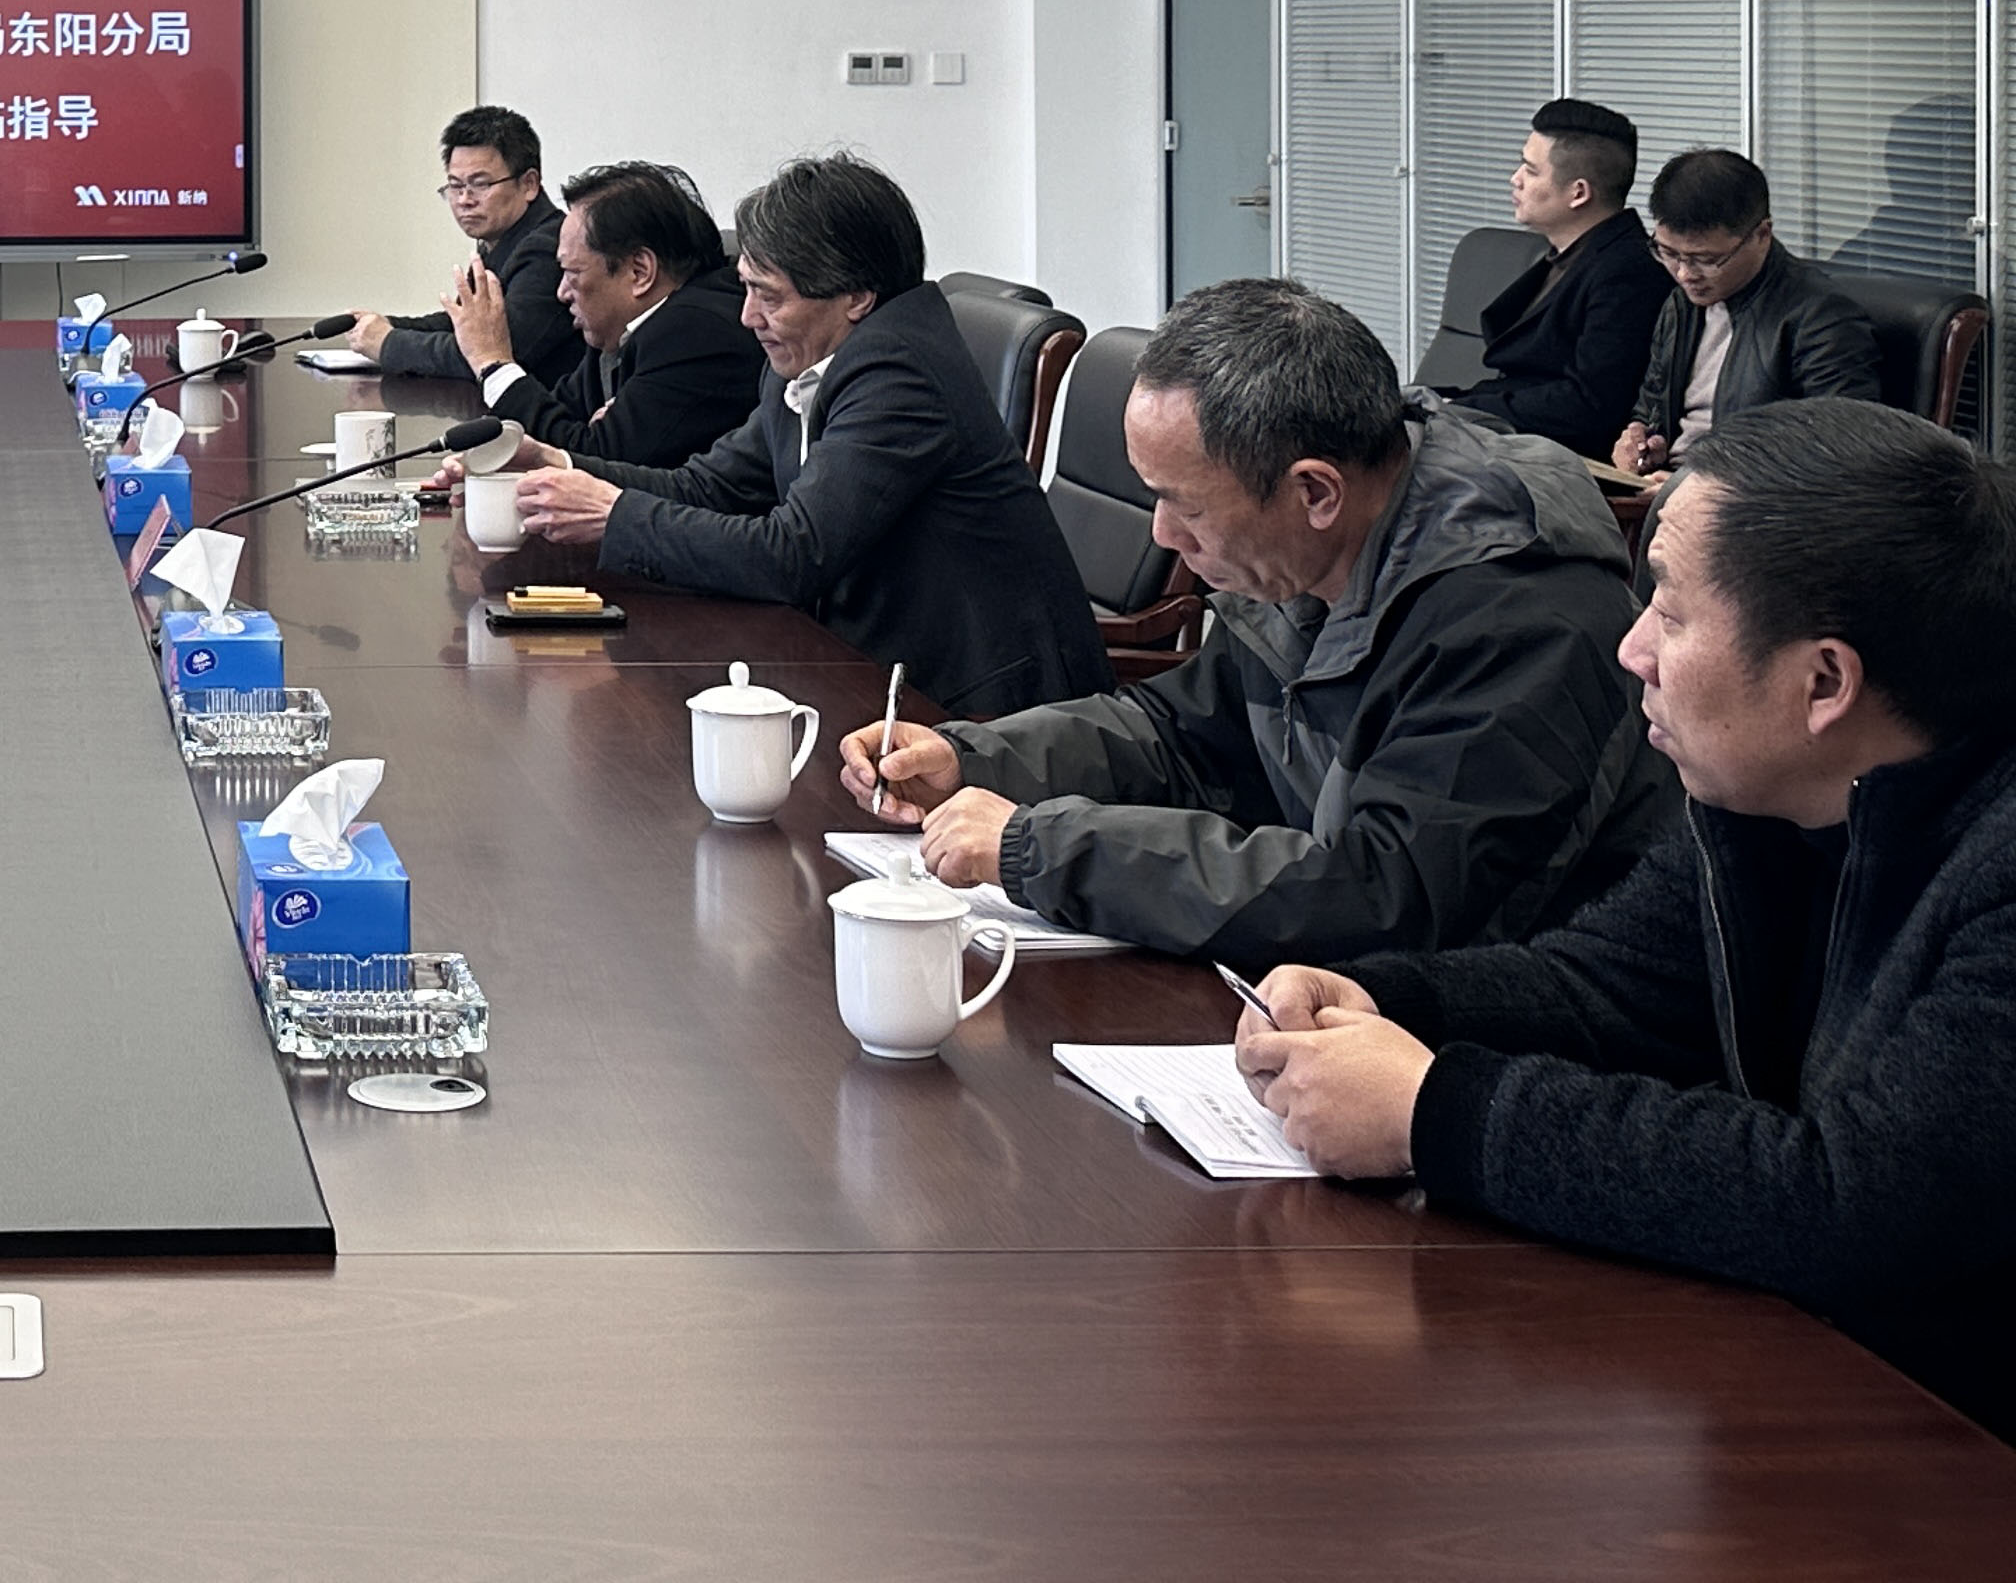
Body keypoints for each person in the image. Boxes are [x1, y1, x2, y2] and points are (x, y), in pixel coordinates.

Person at [1238, 400, 2016, 1442]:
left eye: (1673, 616)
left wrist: (1433, 1111)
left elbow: (1851, 1205)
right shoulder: (1773, 794)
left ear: (1824, 681)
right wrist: (1383, 998)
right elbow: (1606, 988)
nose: (1632, 648)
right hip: (1802, 1397)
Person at [843, 277, 1674, 964]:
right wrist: (975, 758)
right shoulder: (1308, 553)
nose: (1162, 536)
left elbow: (1387, 897)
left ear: (1315, 491)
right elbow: (1184, 735)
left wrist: (1040, 849)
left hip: (1519, 1025)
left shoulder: (1517, 615)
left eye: (1184, 505)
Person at [499, 154, 1109, 716]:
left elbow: (793, 554)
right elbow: (710, 486)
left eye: (768, 295)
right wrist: (555, 463)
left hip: (980, 705)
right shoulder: (808, 355)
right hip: (871, 663)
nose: (747, 317)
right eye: (746, 286)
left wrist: (614, 515)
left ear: (856, 296)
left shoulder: (900, 375)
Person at [453, 161, 757, 473]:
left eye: (573, 273)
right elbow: (559, 423)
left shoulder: (696, 333)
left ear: (639, 272)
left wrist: (493, 364)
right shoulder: (620, 332)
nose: (562, 292)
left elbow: (596, 460)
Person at [1610, 148, 1880, 475]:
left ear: (1762, 235)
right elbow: (1652, 404)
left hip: (1745, 493)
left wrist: (1701, 487)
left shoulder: (1820, 317)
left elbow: (1839, 449)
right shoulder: (1681, 305)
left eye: (1706, 260)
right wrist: (1640, 440)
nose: (1684, 274)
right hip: (1667, 483)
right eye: (1668, 253)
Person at [1451, 96, 1668, 456]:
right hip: (1512, 439)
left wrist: (1458, 411)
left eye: (1531, 170)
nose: (1515, 179)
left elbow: (1588, 404)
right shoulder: (1568, 254)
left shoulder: (1628, 272)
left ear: (1578, 193)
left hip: (1557, 463)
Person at [346, 106, 578, 388]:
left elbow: (491, 355)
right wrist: (386, 325)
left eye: (480, 184)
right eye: (455, 186)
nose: (464, 200)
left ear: (529, 184)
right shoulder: (502, 239)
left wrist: (388, 343)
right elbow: (463, 326)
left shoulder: (548, 248)